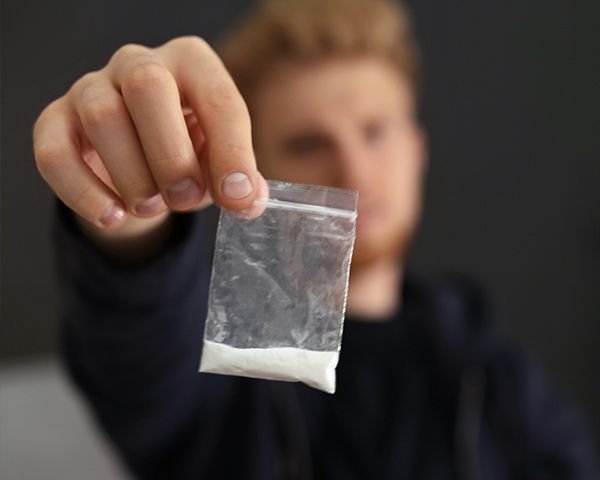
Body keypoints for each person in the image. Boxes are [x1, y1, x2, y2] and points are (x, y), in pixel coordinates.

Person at [33, 0, 598, 478]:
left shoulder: (490, 365)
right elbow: (140, 348)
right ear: (252, 163)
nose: (354, 173)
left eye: (375, 130)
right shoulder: (225, 362)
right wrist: (135, 195)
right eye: (307, 143)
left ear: (418, 149)